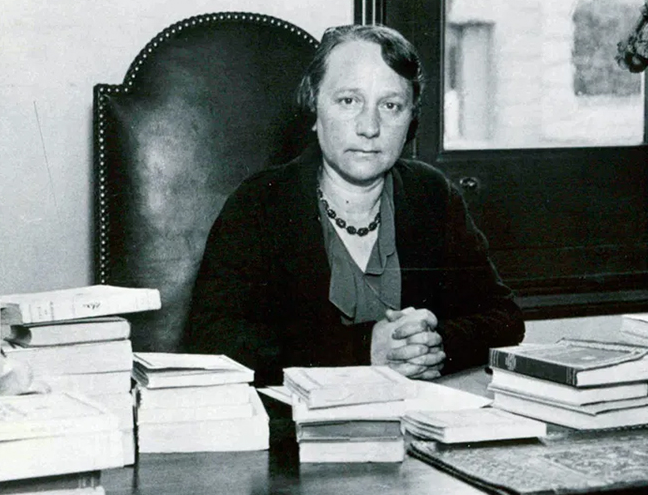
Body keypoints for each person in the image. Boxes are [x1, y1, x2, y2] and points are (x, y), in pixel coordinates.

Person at [184, 24, 524, 384]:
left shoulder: (432, 194)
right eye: (349, 100)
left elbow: (504, 317)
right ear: (315, 106)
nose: (369, 127)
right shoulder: (260, 203)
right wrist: (363, 350)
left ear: (411, 119)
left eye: (391, 106)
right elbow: (213, 343)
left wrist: (436, 344)